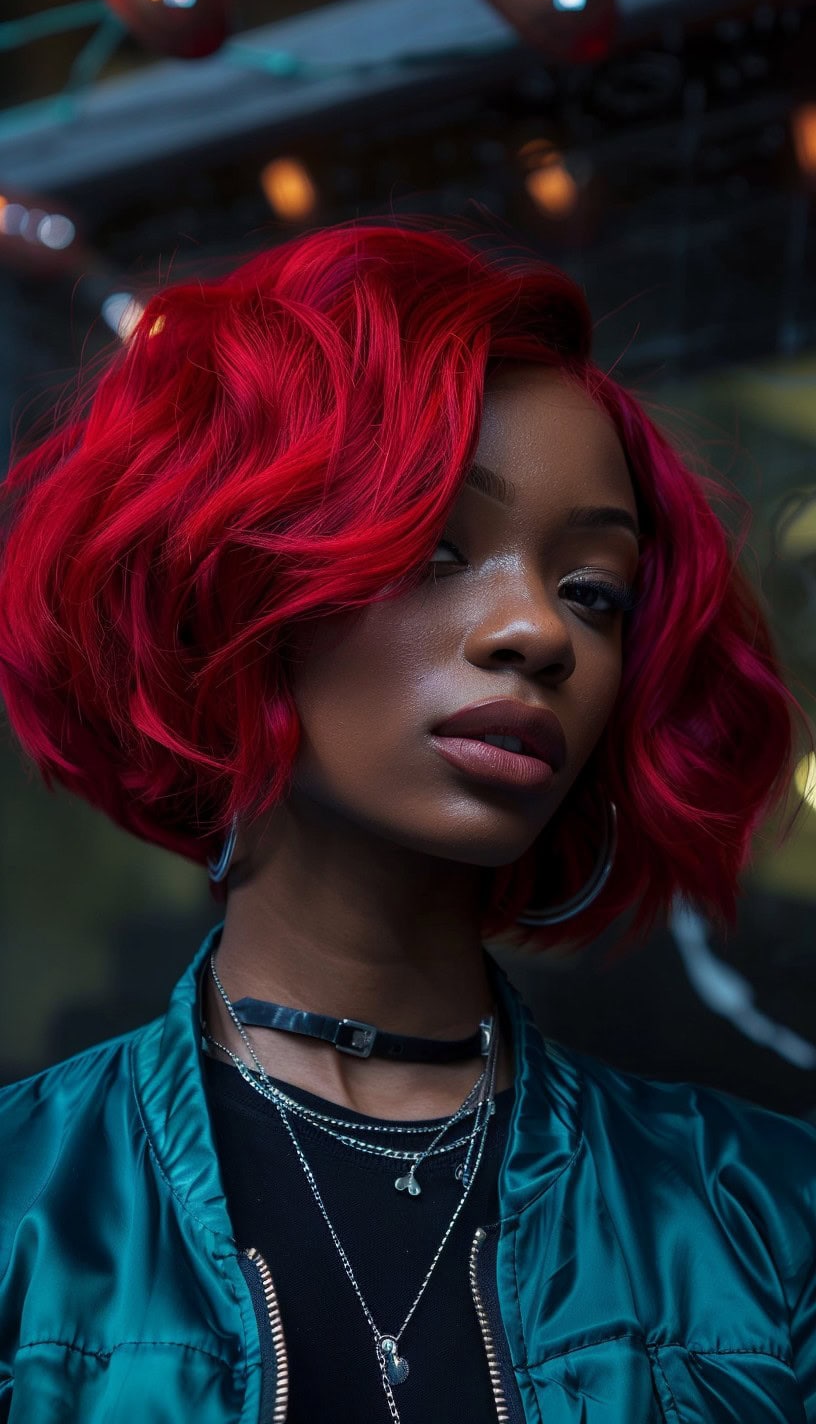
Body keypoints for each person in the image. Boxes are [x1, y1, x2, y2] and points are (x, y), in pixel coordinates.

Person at [0, 216, 814, 1424]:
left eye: (594, 590)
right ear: (230, 578)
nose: (538, 630)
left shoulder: (767, 1215)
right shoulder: (24, 1211)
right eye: (436, 547)